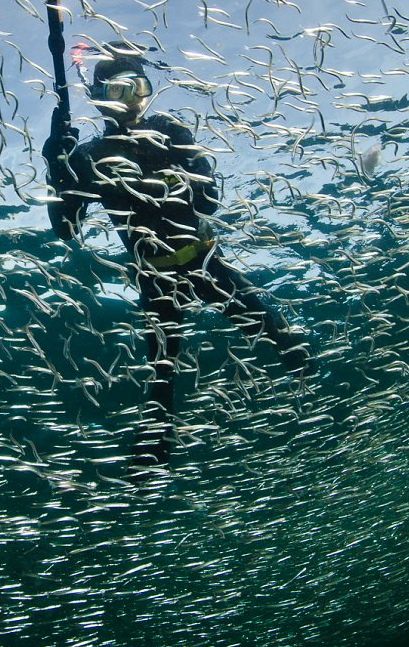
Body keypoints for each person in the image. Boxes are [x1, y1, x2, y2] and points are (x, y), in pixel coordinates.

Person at [42, 46, 312, 473]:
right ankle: (153, 452)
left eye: (137, 90)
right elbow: (66, 230)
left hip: (206, 263)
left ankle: (323, 404)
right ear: (96, 96)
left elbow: (209, 200)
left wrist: (173, 175)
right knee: (161, 373)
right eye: (117, 90)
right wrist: (59, 171)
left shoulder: (167, 130)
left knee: (277, 336)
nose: (129, 101)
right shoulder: (88, 157)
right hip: (153, 277)